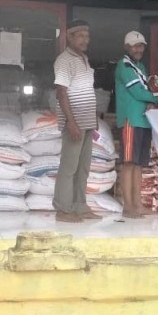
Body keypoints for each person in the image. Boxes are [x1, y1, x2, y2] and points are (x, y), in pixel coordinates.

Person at [114, 30, 158, 218]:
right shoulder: (124, 66)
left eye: (141, 46)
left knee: (138, 165)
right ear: (126, 47)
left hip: (144, 121)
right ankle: (128, 206)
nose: (138, 49)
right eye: (134, 45)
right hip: (130, 120)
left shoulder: (140, 67)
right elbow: (138, 93)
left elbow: (146, 91)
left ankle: (137, 204)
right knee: (128, 164)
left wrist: (153, 98)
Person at [52, 19, 101, 223]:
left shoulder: (84, 59)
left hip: (87, 121)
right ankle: (63, 209)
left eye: (87, 36)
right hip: (74, 122)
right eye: (80, 35)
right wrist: (71, 122)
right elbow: (61, 92)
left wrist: (94, 118)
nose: (85, 40)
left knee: (83, 168)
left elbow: (86, 90)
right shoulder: (64, 60)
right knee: (69, 167)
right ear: (70, 36)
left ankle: (80, 206)